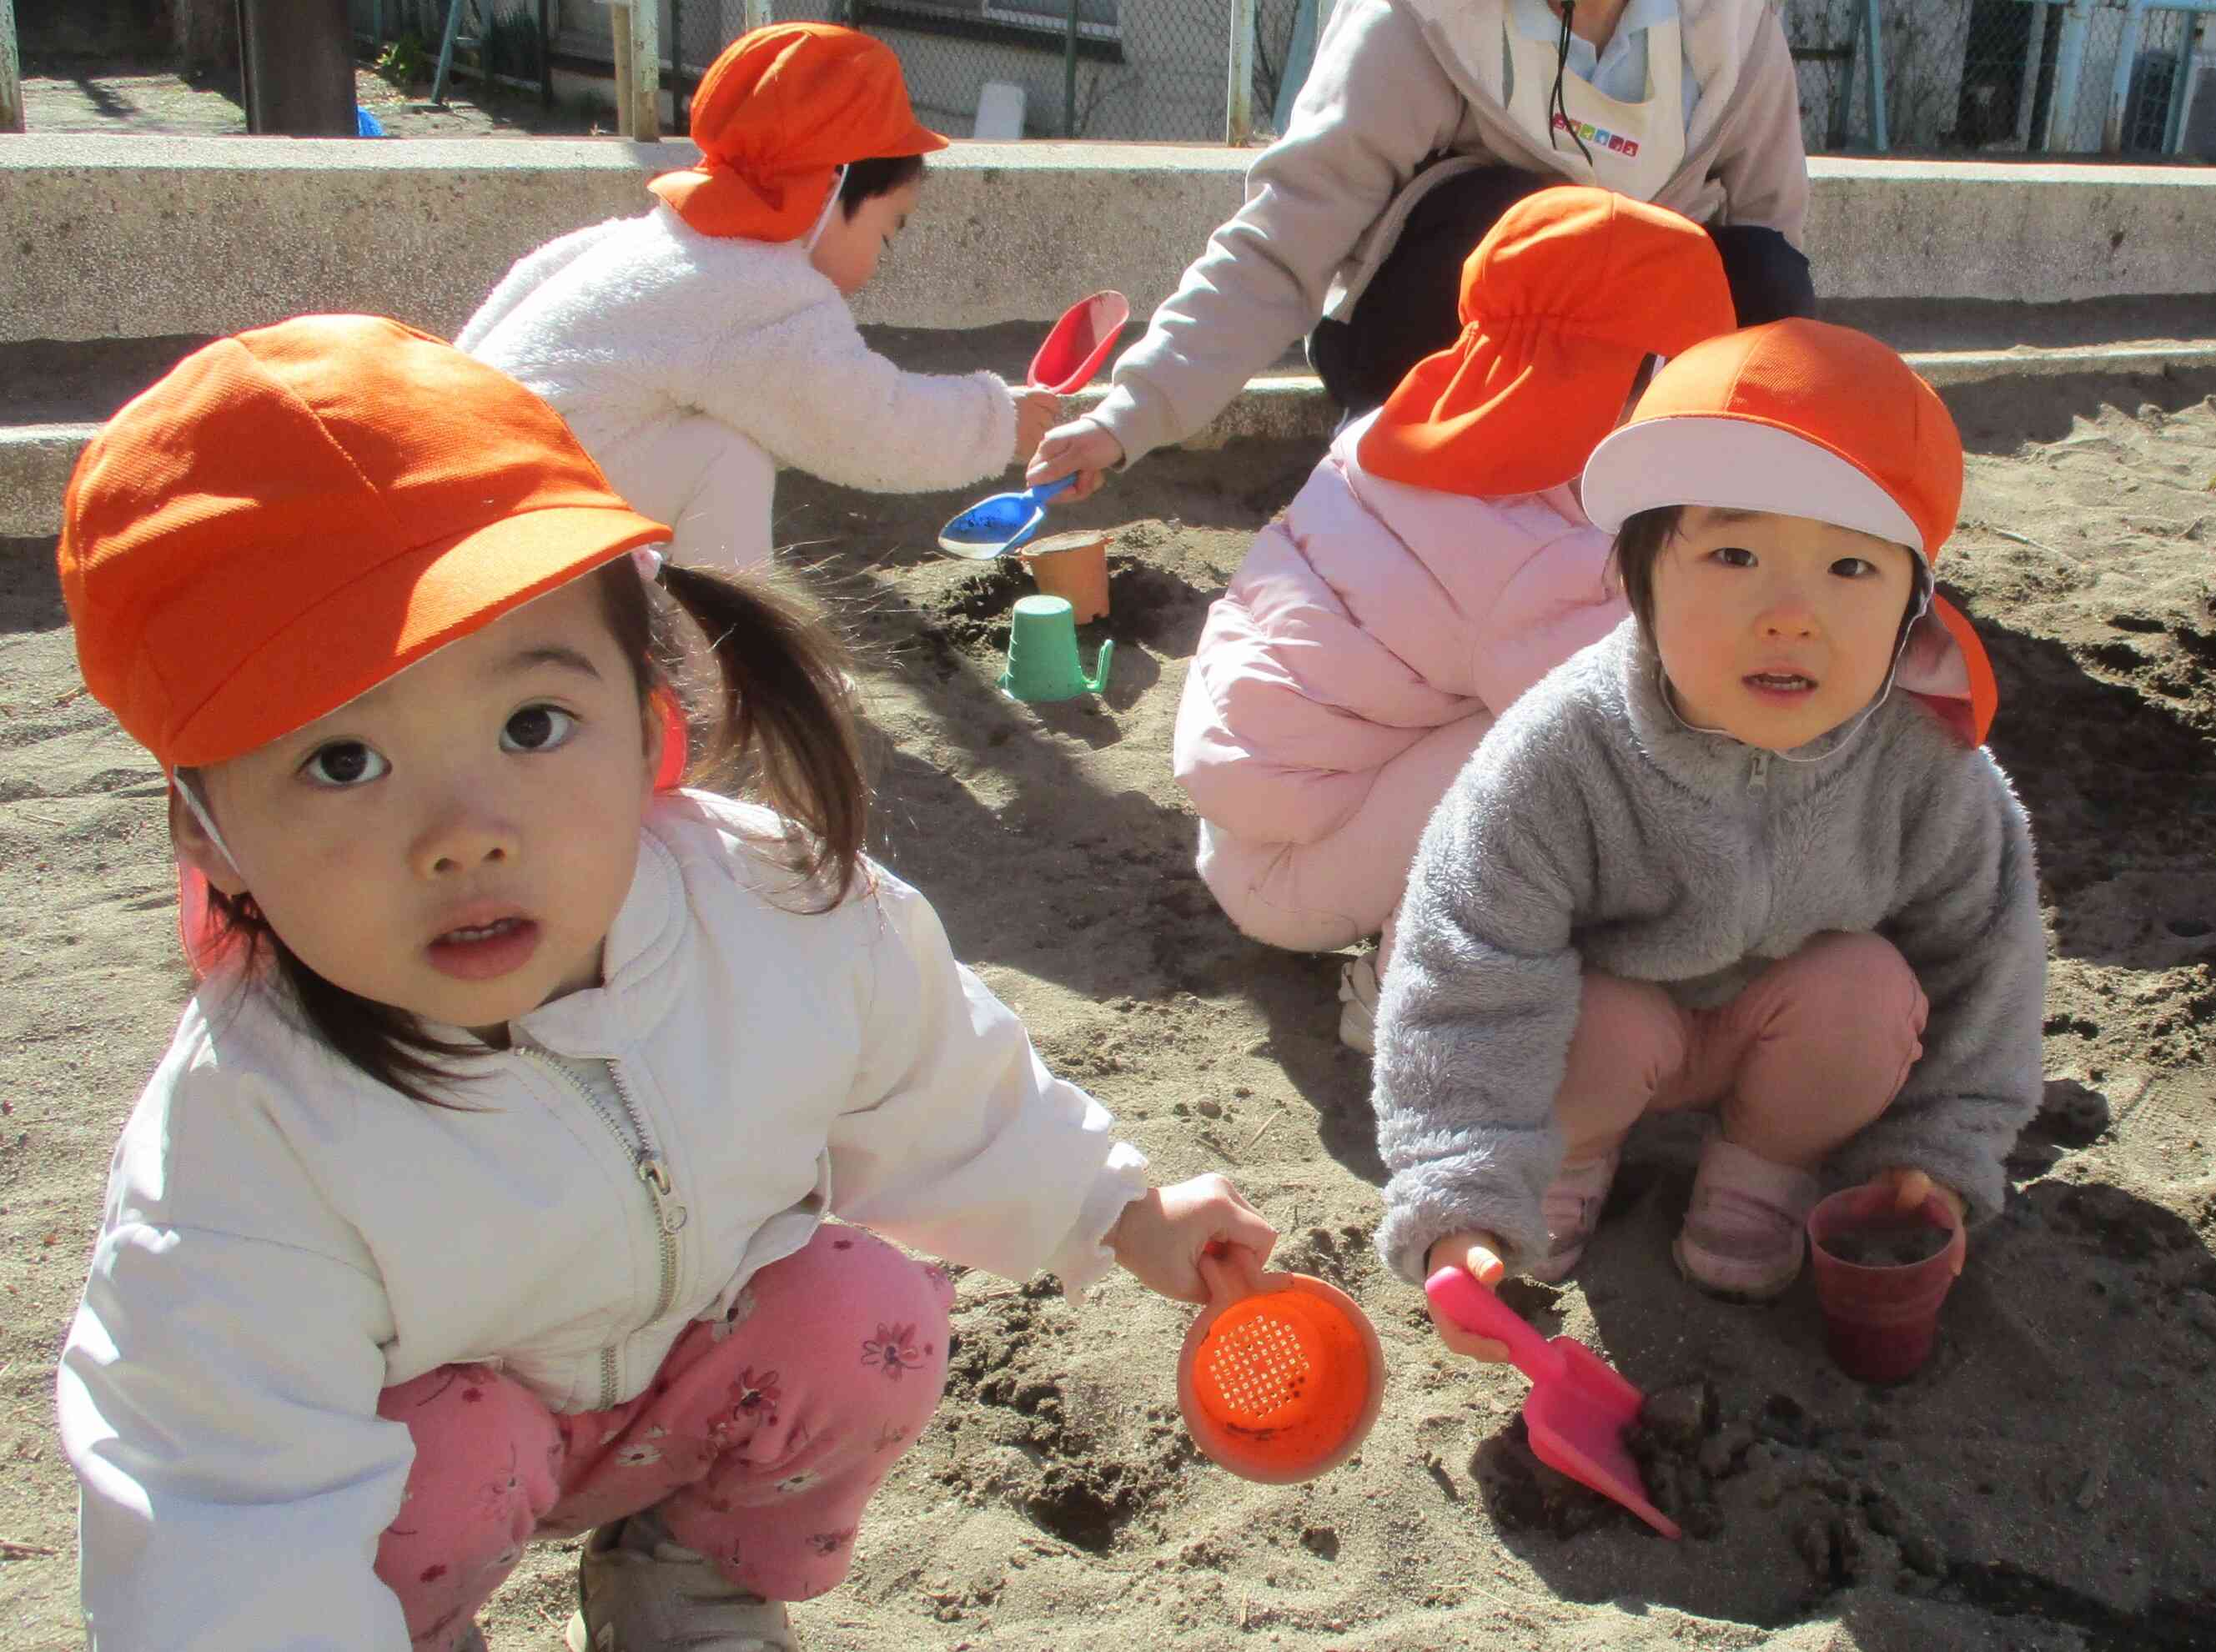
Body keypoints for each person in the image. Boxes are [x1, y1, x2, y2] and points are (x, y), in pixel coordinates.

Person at [52, 315, 1275, 1652]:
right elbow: (226, 1524)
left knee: (866, 1309)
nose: (465, 830)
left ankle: (691, 1584)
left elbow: (943, 1081)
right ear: (208, 833)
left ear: (651, 719)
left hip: (688, 1388)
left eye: (532, 724)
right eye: (342, 762)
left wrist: (1117, 1205)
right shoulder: (253, 1132)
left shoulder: (769, 908)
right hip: (429, 1470)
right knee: (429, 1477)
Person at [1368, 319, 2044, 1349]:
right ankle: (1569, 1161)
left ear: (1916, 602)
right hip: (1601, 1042)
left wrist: (1940, 1153)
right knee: (1596, 1018)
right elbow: (1466, 966)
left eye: (1852, 571)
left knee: (1867, 992)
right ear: (1641, 582)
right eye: (1733, 553)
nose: (1790, 615)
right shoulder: (1563, 749)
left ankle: (1764, 1165)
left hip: (1792, 1040)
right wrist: (1463, 1188)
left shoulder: (1927, 763)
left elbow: (1987, 965)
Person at [1173, 187, 1736, 1054]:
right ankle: (1406, 995)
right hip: (1297, 875)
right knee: (1558, 749)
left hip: (1246, 817)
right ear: (1628, 380)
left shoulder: (1393, 429)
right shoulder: (1546, 560)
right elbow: (1647, 716)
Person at [1029, 0, 1812, 500]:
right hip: (1432, 349)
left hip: (1632, 377)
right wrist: (1129, 416)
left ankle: (1674, 512)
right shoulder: (1413, 20)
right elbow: (1281, 240)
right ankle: (1420, 505)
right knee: (1520, 219)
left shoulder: (1732, 28)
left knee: (1761, 271)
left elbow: (1768, 234)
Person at [458, 23, 1058, 573]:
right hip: (528, 538)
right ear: (833, 187)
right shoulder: (761, 291)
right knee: (728, 457)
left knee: (713, 438)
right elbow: (862, 423)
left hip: (474, 498)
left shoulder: (650, 242)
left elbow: (500, 316)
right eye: (886, 230)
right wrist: (1000, 422)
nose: (878, 260)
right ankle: (734, 667)